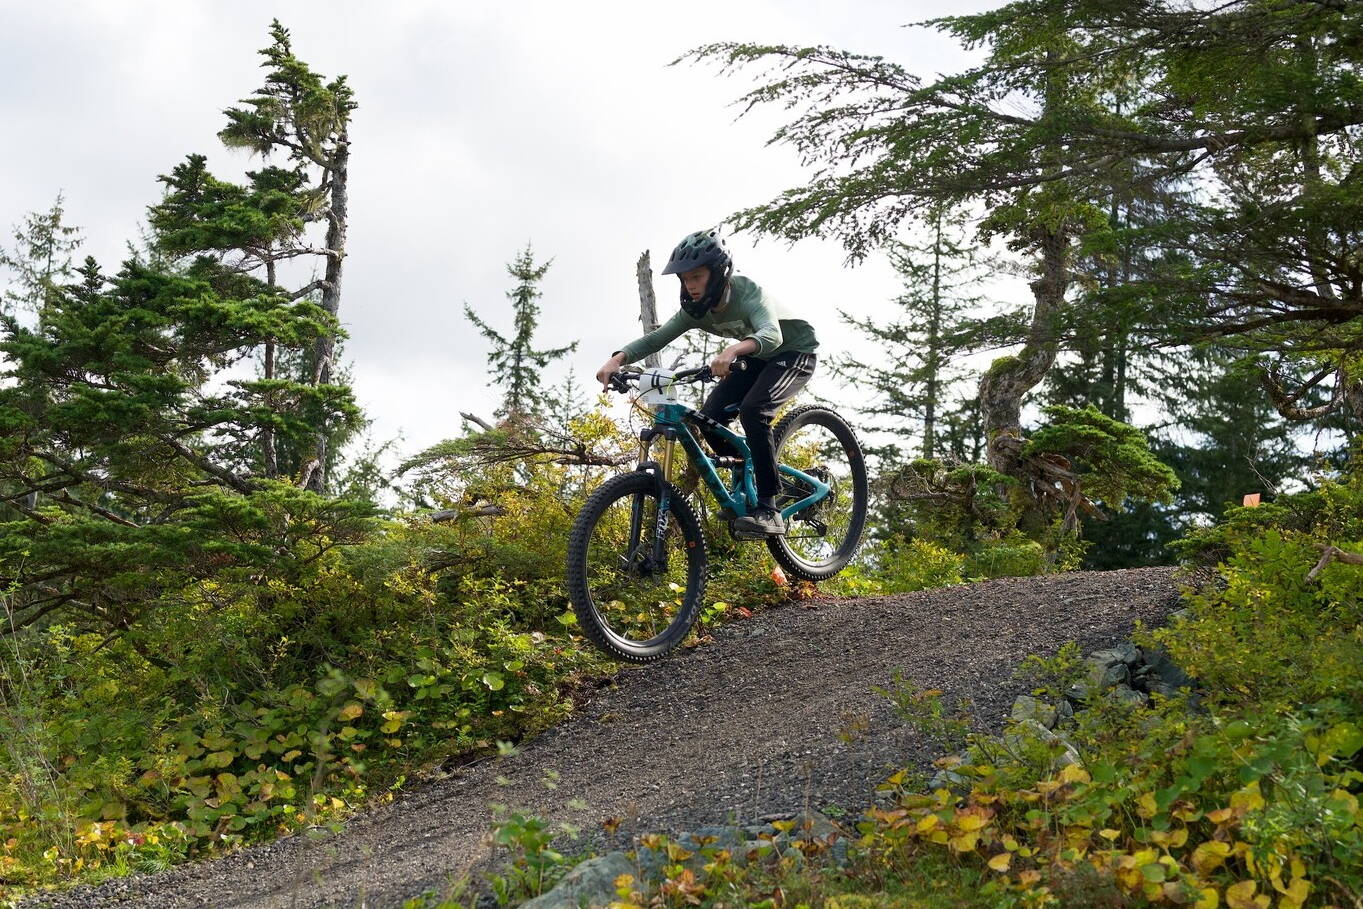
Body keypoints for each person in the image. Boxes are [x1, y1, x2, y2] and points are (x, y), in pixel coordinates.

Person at [596, 229, 818, 536]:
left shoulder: (747, 292)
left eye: (697, 277)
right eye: (685, 279)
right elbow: (658, 338)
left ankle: (769, 508)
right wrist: (617, 359)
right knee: (711, 419)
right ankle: (750, 480)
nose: (690, 285)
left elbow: (772, 335)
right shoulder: (696, 310)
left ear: (718, 273)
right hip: (754, 358)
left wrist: (732, 349)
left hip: (794, 353)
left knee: (755, 410)